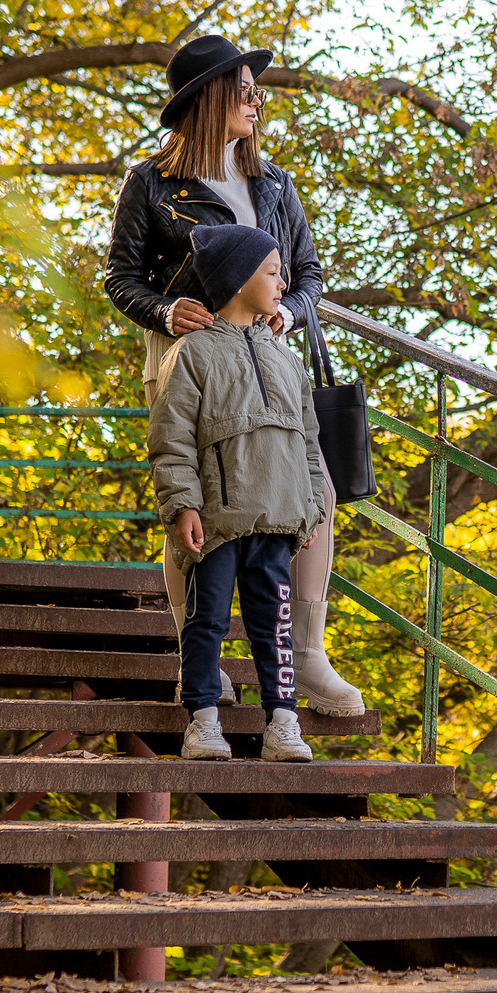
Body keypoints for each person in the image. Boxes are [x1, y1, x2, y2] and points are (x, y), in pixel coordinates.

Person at [103, 33, 366, 715]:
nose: (256, 103)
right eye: (245, 91)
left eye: (257, 93)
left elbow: (308, 275)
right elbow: (120, 278)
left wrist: (291, 313)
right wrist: (165, 310)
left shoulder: (273, 182)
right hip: (188, 360)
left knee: (313, 492)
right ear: (211, 97)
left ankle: (307, 654)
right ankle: (200, 658)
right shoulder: (150, 182)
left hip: (268, 364)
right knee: (192, 501)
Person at [148, 224, 325, 762]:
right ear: (240, 278)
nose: (283, 282)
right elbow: (171, 439)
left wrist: (312, 507)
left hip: (278, 520)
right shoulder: (192, 353)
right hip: (219, 521)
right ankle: (202, 721)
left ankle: (283, 723)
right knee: (207, 620)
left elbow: (309, 441)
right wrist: (183, 504)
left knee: (275, 624)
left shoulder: (287, 359)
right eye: (272, 272)